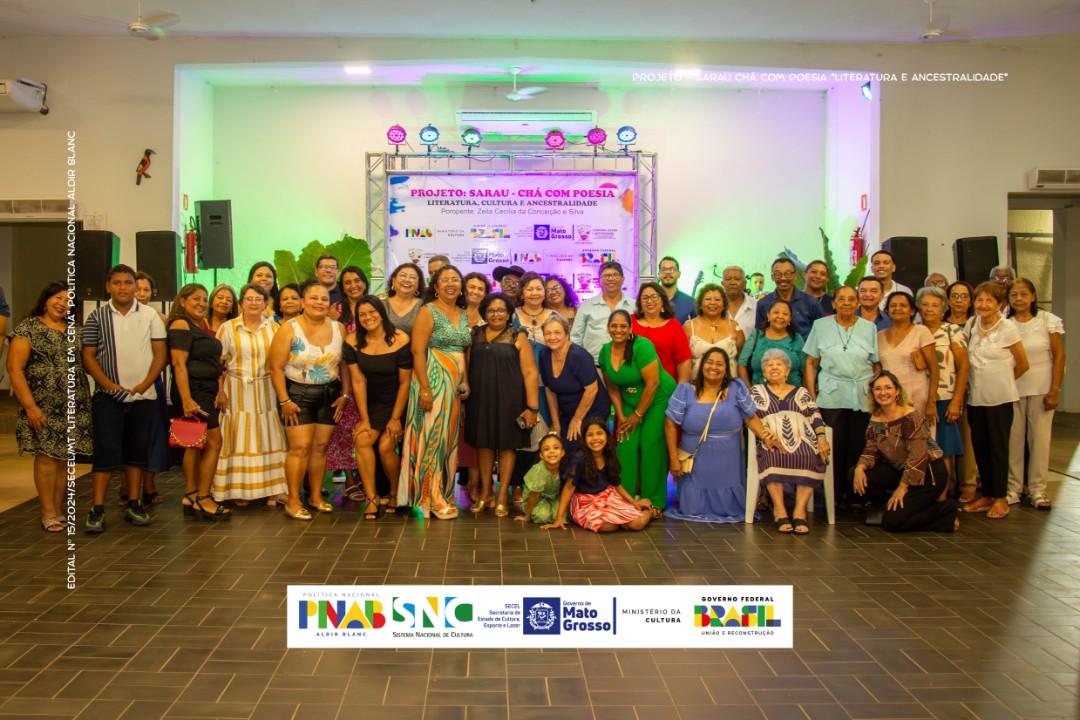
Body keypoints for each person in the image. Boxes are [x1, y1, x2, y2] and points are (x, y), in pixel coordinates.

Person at [82, 265, 168, 532]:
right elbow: (88, 356)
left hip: (143, 396)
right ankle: (97, 509)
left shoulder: (150, 315)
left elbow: (161, 354)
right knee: (105, 453)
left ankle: (133, 502)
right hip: (107, 397)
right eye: (117, 282)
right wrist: (109, 385)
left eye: (128, 283)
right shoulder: (96, 316)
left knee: (136, 453)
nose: (123, 287)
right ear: (108, 286)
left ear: (135, 286)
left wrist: (144, 385)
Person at [7, 282, 93, 531]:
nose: (63, 303)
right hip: (41, 405)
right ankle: (47, 512)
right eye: (58, 297)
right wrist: (30, 406)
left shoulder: (76, 330)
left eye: (68, 300)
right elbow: (14, 368)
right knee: (46, 458)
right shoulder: (29, 327)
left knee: (65, 459)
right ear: (46, 299)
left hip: (74, 404)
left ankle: (57, 508)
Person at [664, 347, 780, 523]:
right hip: (695, 461)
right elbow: (670, 425)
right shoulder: (685, 390)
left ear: (727, 369)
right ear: (702, 365)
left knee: (731, 507)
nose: (714, 367)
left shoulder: (736, 388)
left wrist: (765, 436)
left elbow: (751, 418)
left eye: (720, 364)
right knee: (692, 509)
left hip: (728, 461)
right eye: (709, 362)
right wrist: (673, 458)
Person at [268, 281, 351, 521]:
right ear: (303, 302)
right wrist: (284, 401)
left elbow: (344, 364)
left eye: (324, 299)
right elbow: (275, 368)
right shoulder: (288, 329)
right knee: (300, 448)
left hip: (329, 395)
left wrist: (345, 394)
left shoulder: (339, 328)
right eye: (313, 298)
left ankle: (315, 497)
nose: (319, 303)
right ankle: (293, 500)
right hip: (296, 396)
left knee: (320, 447)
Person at [400, 265, 471, 520]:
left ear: (461, 286)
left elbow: (464, 350)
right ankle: (429, 497)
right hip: (433, 379)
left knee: (448, 440)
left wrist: (466, 380)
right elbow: (417, 351)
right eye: (445, 280)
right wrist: (425, 389)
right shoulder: (428, 311)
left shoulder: (463, 313)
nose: (450, 284)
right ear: (436, 286)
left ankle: (442, 493)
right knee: (432, 437)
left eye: (455, 280)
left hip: (454, 386)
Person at [851, 371, 960, 532]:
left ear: (897, 391)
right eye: (878, 389)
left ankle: (946, 512)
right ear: (872, 393)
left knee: (893, 522)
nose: (883, 392)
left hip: (928, 475)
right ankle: (892, 506)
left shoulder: (909, 417)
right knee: (854, 474)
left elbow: (918, 456)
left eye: (888, 387)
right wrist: (860, 468)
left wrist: (902, 487)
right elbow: (871, 449)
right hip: (902, 470)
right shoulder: (876, 418)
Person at [803, 286, 880, 506]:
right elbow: (811, 362)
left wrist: (875, 393)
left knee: (858, 445)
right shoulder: (821, 325)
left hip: (862, 395)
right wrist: (811, 394)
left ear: (858, 303)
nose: (846, 303)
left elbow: (876, 364)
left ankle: (855, 496)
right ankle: (832, 497)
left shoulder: (869, 327)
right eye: (841, 299)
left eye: (851, 299)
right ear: (834, 303)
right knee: (833, 446)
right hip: (831, 395)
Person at [466, 293, 540, 517]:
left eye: (501, 310)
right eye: (491, 310)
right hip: (480, 399)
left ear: (509, 314)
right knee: (483, 444)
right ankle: (486, 493)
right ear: (484, 313)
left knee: (507, 446)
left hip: (511, 400)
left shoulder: (518, 335)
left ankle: (501, 498)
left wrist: (532, 408)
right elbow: (466, 367)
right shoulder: (475, 334)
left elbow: (530, 372)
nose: (496, 314)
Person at [214, 283, 287, 507]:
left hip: (266, 388)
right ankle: (240, 489)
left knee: (268, 435)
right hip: (235, 389)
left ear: (266, 304)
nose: (254, 303)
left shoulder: (275, 328)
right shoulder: (228, 328)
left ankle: (274, 490)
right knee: (239, 436)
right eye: (249, 299)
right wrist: (220, 391)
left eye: (258, 299)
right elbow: (217, 363)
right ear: (241, 303)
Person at [963, 281, 1029, 519]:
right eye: (979, 300)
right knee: (980, 446)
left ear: (999, 304)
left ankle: (1001, 498)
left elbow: (1023, 364)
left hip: (1000, 398)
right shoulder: (972, 324)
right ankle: (988, 494)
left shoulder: (1008, 328)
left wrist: (1003, 380)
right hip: (976, 397)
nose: (983, 304)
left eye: (989, 300)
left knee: (998, 448)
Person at [343, 296, 412, 519]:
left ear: (381, 313)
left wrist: (395, 419)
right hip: (373, 401)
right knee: (362, 440)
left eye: (372, 312)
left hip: (400, 401)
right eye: (362, 314)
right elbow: (358, 382)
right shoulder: (352, 341)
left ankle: (395, 492)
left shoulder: (400, 339)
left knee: (385, 447)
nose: (367, 317)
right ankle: (372, 498)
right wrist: (364, 419)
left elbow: (405, 383)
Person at [599, 310, 676, 510]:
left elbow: (652, 383)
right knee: (626, 443)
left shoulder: (643, 346)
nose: (618, 330)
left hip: (657, 397)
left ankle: (654, 502)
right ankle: (625, 499)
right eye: (614, 326)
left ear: (631, 328)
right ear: (608, 328)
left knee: (650, 444)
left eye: (623, 326)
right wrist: (621, 416)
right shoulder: (605, 351)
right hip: (629, 400)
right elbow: (612, 388)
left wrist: (637, 415)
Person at [167, 283, 230, 522]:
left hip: (204, 389)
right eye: (196, 298)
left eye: (204, 299)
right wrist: (186, 398)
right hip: (194, 390)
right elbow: (178, 364)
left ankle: (191, 495)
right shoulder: (180, 324)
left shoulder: (197, 326)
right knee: (214, 441)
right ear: (182, 301)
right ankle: (204, 498)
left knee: (193, 443)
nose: (202, 303)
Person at [749, 349, 830, 534]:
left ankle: (799, 511)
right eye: (769, 365)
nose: (774, 367)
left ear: (787, 371)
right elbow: (751, 416)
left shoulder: (801, 392)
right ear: (764, 372)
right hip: (771, 439)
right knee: (773, 454)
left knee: (810, 454)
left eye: (779, 364)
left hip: (803, 438)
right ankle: (779, 510)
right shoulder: (756, 391)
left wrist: (821, 437)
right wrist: (765, 434)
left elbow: (815, 415)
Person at [1006, 278, 1064, 510]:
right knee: (1013, 440)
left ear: (1032, 296)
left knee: (1039, 440)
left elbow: (1059, 356)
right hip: (1012, 390)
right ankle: (1013, 489)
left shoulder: (1047, 320)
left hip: (1042, 390)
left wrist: (1054, 390)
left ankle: (1038, 491)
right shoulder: (1005, 323)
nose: (1019, 299)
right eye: (1014, 295)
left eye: (1023, 294)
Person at [543, 418, 660, 532]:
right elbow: (569, 487)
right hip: (584, 502)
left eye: (599, 433)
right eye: (590, 435)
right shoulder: (579, 458)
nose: (595, 438)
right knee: (608, 526)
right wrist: (559, 517)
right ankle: (621, 521)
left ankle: (651, 512)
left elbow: (616, 484)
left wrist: (633, 502)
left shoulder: (609, 454)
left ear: (606, 436)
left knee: (637, 524)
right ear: (584, 438)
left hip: (607, 497)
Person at [916, 286, 969, 493]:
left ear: (944, 309)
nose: (929, 309)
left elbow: (963, 367)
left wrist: (957, 400)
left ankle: (942, 496)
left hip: (945, 397)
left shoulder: (951, 331)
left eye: (935, 305)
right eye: (925, 304)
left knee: (944, 449)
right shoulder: (914, 330)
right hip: (918, 397)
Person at [327, 265, 369, 499]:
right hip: (344, 378)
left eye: (357, 280)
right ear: (342, 287)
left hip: (371, 378)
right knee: (344, 431)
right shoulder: (336, 311)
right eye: (348, 282)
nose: (353, 286)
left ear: (365, 282)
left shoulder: (374, 306)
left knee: (366, 427)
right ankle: (350, 480)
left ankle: (365, 477)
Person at [540, 314, 611, 443]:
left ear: (567, 334)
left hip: (593, 409)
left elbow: (592, 390)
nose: (552, 337)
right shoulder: (544, 354)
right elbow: (549, 390)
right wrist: (556, 424)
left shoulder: (578, 355)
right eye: (548, 333)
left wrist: (577, 419)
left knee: (578, 447)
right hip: (568, 413)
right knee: (559, 445)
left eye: (557, 332)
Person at [132, 271, 170, 505]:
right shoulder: (113, 318)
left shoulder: (160, 318)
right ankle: (127, 489)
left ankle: (149, 485)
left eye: (146, 290)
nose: (142, 294)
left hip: (153, 382)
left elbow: (165, 355)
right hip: (125, 383)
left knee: (153, 436)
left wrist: (150, 376)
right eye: (138, 289)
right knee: (129, 437)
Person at [878, 291, 938, 422]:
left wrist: (931, 402)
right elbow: (877, 369)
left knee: (917, 434)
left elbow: (934, 369)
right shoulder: (880, 335)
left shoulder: (921, 331)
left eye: (903, 305)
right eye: (893, 305)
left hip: (917, 395)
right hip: (889, 397)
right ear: (887, 311)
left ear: (912, 311)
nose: (897, 308)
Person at [944, 280, 977, 501]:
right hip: (942, 387)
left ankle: (968, 484)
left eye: (964, 296)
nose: (959, 300)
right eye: (954, 295)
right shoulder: (939, 324)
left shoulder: (976, 324)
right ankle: (948, 482)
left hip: (968, 387)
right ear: (947, 300)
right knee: (946, 437)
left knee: (966, 437)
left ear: (971, 301)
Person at [459, 271, 490, 501]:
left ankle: (477, 483)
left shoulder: (491, 316)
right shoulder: (454, 313)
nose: (476, 292)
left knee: (479, 432)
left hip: (483, 380)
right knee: (461, 433)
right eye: (472, 287)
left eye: (481, 288)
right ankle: (467, 480)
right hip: (452, 378)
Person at [570, 261, 634, 362]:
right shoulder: (586, 306)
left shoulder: (634, 306)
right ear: (599, 280)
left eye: (615, 275)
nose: (611, 279)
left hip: (627, 364)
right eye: (606, 276)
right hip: (593, 364)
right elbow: (576, 338)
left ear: (623, 279)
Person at [632, 281, 693, 383]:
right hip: (634, 385)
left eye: (654, 297)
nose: (649, 301)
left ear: (663, 300)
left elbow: (684, 361)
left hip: (666, 386)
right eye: (645, 298)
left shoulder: (673, 325)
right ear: (639, 302)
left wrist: (681, 389)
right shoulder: (630, 322)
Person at [738, 299, 804, 388]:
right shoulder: (756, 335)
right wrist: (749, 391)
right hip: (759, 393)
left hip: (793, 393)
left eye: (785, 314)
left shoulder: (796, 338)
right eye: (776, 312)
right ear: (768, 315)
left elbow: (806, 369)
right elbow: (742, 364)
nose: (780, 316)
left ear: (790, 319)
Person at [755, 257, 824, 339]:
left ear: (795, 276)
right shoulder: (763, 304)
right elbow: (759, 336)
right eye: (778, 274)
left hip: (805, 347)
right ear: (772, 277)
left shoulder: (811, 302)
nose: (783, 278)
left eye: (788, 274)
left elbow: (822, 334)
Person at [685, 283, 743, 380]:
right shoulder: (689, 327)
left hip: (729, 384)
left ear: (724, 304)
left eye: (717, 299)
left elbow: (742, 359)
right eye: (708, 299)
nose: (712, 303)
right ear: (700, 303)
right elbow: (683, 361)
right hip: (696, 384)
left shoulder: (734, 326)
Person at [516, 433, 566, 525]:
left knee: (563, 516)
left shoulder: (565, 467)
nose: (551, 451)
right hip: (538, 499)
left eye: (556, 448)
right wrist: (527, 516)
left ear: (562, 453)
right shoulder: (539, 470)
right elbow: (534, 494)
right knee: (543, 516)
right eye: (546, 449)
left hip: (555, 498)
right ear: (541, 455)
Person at [383, 262, 425, 335]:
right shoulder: (381, 304)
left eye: (412, 277)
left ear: (418, 284)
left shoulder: (424, 306)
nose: (407, 280)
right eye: (402, 276)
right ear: (394, 281)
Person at [513, 272, 557, 341]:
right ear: (521, 294)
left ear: (544, 292)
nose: (535, 293)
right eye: (530, 289)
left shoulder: (555, 316)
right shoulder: (512, 315)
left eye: (539, 289)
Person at [722, 266, 758, 341]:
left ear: (744, 283)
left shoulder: (757, 306)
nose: (732, 283)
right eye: (728, 279)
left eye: (737, 279)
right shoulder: (714, 306)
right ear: (722, 283)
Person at [658, 256, 696, 323]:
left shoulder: (691, 302)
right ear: (659, 275)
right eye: (664, 270)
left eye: (672, 269)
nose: (668, 272)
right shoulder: (651, 301)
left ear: (679, 274)